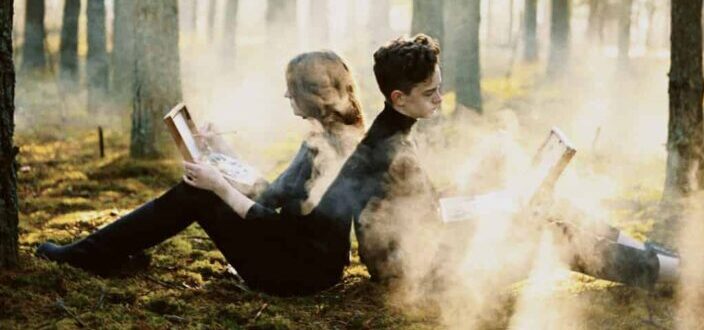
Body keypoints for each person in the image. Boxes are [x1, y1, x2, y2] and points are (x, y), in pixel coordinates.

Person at [342, 34, 679, 289]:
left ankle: (653, 254)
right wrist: (498, 209)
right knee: (555, 236)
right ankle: (674, 275)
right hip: (421, 275)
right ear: (399, 98)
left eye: (439, 87)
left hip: (429, 247)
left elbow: (423, 207)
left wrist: (488, 192)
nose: (440, 98)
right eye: (430, 93)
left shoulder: (390, 131)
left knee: (547, 200)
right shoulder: (389, 151)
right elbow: (427, 228)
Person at [36, 51, 365, 296]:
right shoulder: (327, 138)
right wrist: (225, 152)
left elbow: (280, 227)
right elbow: (272, 193)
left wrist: (221, 187)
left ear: (313, 94)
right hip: (307, 266)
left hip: (296, 276)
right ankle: (99, 253)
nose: (286, 95)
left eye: (291, 88)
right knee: (200, 189)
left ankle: (82, 257)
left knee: (196, 193)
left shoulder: (332, 151)